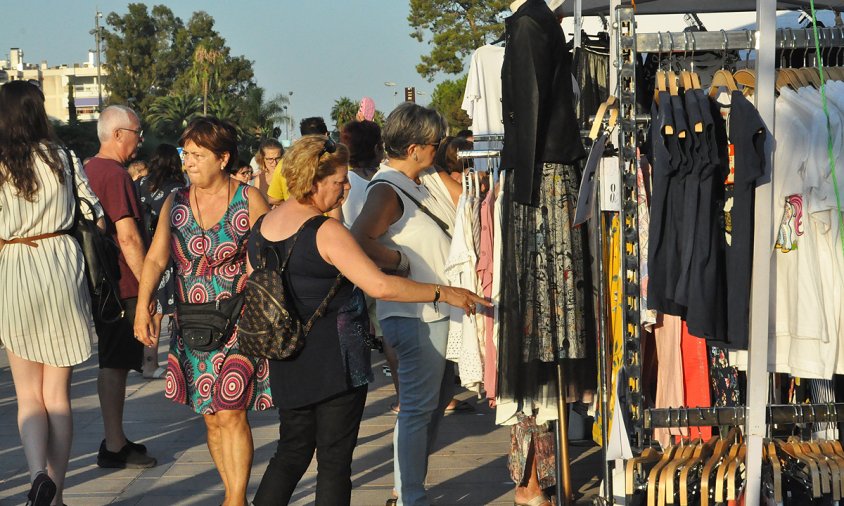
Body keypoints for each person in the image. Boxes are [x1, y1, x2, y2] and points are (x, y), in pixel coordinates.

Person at [251, 135, 487, 506]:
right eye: (339, 181)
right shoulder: (326, 233)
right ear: (313, 181)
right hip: (335, 361)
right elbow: (380, 286)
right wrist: (444, 293)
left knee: (291, 450)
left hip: (287, 358)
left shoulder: (263, 226)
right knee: (333, 460)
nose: (346, 189)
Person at [134, 117, 273, 506]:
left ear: (223, 158)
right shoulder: (175, 202)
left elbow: (269, 260)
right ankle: (234, 494)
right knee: (210, 415)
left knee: (231, 413)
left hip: (239, 322)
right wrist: (143, 307)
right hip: (192, 324)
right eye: (186, 154)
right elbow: (157, 257)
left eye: (197, 155)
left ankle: (235, 498)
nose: (189, 162)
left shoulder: (249, 200)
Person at [352, 102, 463, 505]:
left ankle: (409, 488)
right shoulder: (386, 188)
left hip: (436, 312)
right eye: (435, 144)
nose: (439, 150)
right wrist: (397, 261)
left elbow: (467, 201)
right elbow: (359, 239)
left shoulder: (418, 179)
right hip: (415, 314)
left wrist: (431, 170)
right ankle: (409, 495)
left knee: (430, 406)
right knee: (418, 408)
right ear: (415, 147)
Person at [0, 80, 103, 506]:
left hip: (14, 267)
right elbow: (94, 212)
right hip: (61, 265)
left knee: (28, 395)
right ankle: (56, 495)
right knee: (57, 395)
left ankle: (36, 476)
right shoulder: (63, 157)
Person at [85, 105, 158, 469]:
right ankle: (113, 445)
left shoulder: (87, 169)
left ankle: (117, 438)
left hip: (104, 283)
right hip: (122, 284)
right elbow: (128, 237)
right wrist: (148, 287)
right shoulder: (114, 175)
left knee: (116, 361)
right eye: (136, 132)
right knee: (114, 364)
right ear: (117, 135)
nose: (140, 139)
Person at [135, 143, 186, 379]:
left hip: (147, 250)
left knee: (152, 309)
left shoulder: (141, 185)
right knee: (177, 308)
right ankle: (181, 361)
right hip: (172, 253)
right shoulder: (178, 189)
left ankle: (149, 362)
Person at [266, 116, 328, 206]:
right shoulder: (330, 161)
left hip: (293, 218)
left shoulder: (285, 162)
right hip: (323, 218)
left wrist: (295, 207)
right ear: (326, 135)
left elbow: (273, 199)